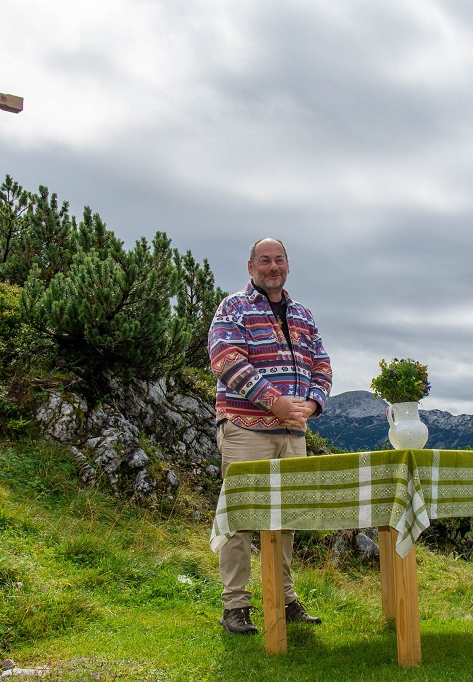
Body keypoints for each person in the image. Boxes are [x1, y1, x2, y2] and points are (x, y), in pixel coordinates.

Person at [207, 237, 333, 635]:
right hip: (246, 430)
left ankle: (284, 599)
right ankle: (236, 607)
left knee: (288, 518)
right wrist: (273, 400)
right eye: (265, 261)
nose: (272, 267)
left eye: (279, 260)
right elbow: (225, 359)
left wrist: (312, 404)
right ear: (251, 267)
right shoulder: (233, 308)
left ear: (288, 266)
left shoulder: (303, 315)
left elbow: (322, 363)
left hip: (293, 433)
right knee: (241, 518)